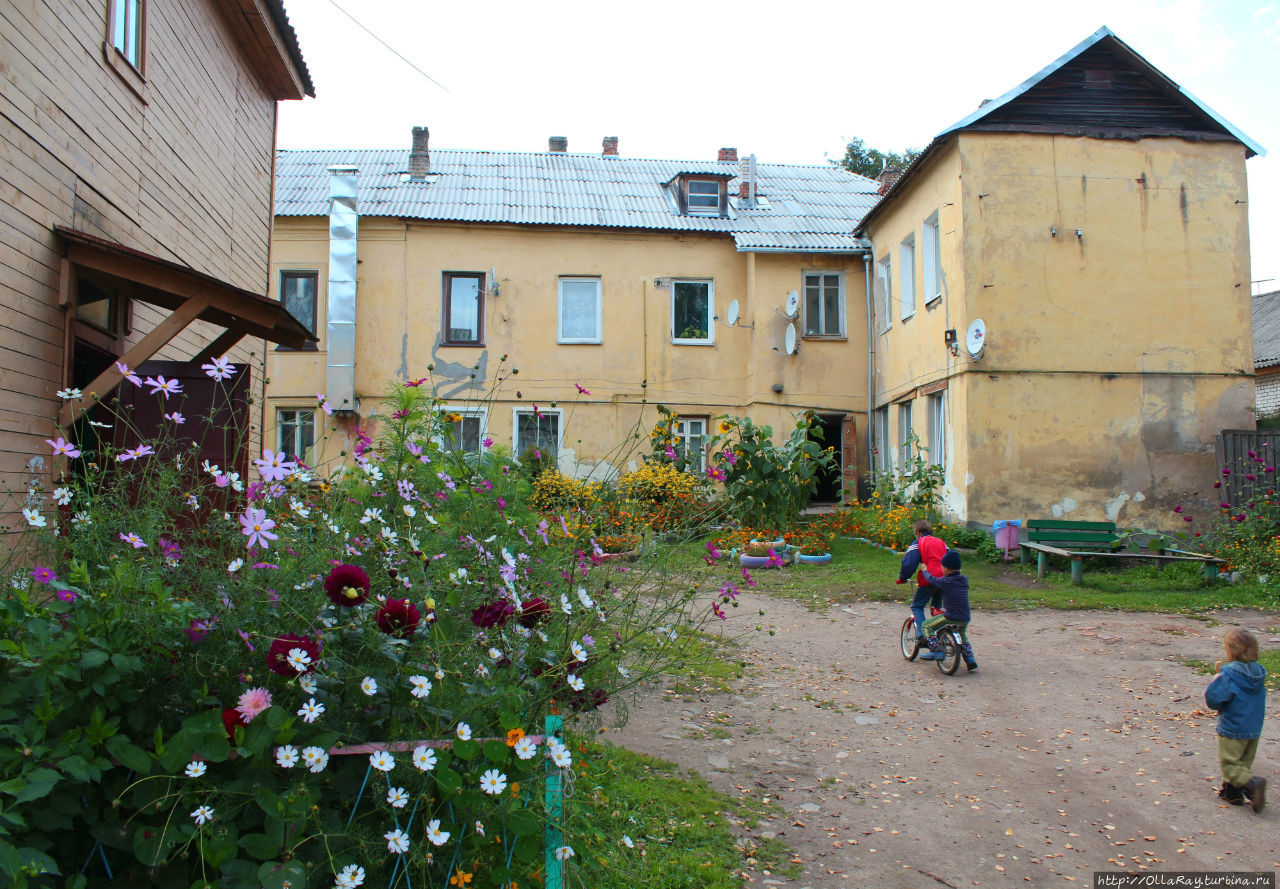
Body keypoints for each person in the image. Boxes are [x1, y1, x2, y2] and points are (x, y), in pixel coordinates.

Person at [1205, 628, 1267, 812]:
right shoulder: (1258, 673)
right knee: (1243, 763)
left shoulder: (1228, 676)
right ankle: (1233, 793)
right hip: (1254, 729)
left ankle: (1251, 784)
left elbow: (1214, 700)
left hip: (1233, 728)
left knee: (1231, 764)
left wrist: (1215, 681)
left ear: (1231, 651)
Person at [919, 550, 976, 670]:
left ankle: (937, 650)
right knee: (962, 636)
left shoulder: (945, 581)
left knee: (926, 626)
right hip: (965, 617)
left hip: (951, 616)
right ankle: (970, 659)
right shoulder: (963, 580)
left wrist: (925, 570)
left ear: (946, 568)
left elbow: (932, 580)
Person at [896, 519, 947, 653]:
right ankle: (940, 636)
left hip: (929, 578)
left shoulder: (919, 543)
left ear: (917, 532)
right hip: (946, 579)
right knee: (936, 608)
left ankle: (922, 635)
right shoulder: (941, 542)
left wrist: (903, 578)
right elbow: (951, 557)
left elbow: (909, 563)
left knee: (917, 606)